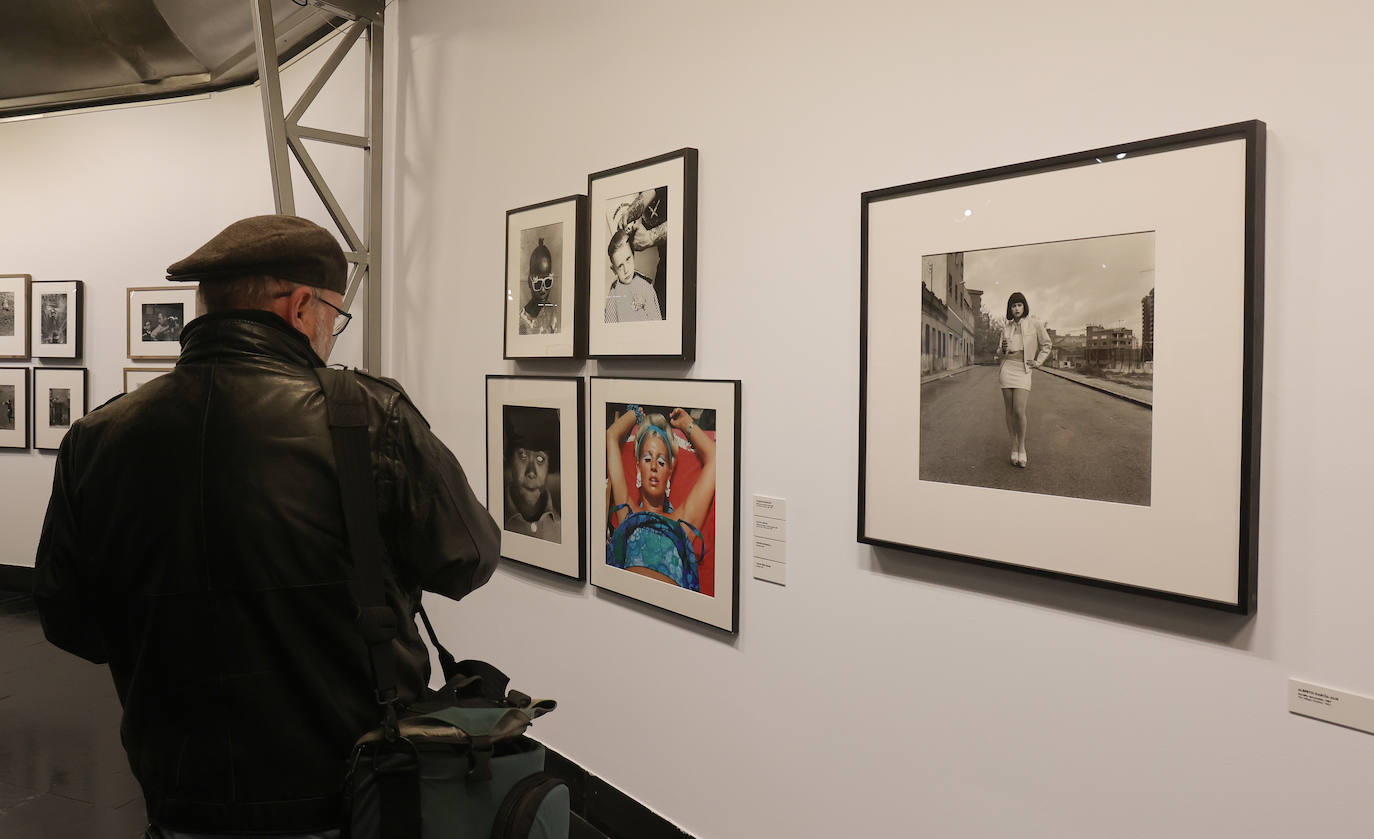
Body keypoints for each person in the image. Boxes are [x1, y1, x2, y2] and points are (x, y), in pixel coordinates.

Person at [32, 214, 501, 839]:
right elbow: (467, 560)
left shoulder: (98, 436)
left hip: (177, 796)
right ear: (303, 306)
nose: (332, 333)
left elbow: (71, 623)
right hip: (347, 789)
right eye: (336, 314)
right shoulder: (366, 416)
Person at [604, 404, 715, 591]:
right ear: (638, 467)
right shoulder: (627, 515)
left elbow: (715, 457)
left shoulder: (682, 523)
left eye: (661, 461)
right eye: (647, 459)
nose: (654, 466)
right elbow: (612, 436)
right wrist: (636, 414)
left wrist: (686, 423)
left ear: (669, 472)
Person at [997, 291, 1052, 468]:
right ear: (1010, 309)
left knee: (1019, 411)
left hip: (1023, 369)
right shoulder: (1006, 327)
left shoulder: (1034, 323)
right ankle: (1013, 446)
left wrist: (1038, 362)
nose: (1016, 308)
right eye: (1013, 306)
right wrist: (1002, 349)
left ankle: (1022, 447)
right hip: (1007, 368)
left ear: (1024, 306)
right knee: (1009, 411)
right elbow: (1000, 353)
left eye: (1019, 305)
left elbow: (1047, 344)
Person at [503, 407, 561, 542]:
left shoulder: (566, 528)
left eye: (540, 459)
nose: (531, 472)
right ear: (510, 459)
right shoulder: (492, 517)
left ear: (550, 465)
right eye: (522, 455)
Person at [603, 227, 662, 322]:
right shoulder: (613, 297)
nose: (626, 270)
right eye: (620, 266)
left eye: (628, 259)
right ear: (614, 270)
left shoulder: (646, 286)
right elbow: (610, 330)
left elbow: (656, 321)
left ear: (633, 255)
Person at [518, 237, 559, 334]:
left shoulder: (552, 312)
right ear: (529, 282)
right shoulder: (522, 319)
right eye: (538, 284)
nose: (543, 289)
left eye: (548, 282)